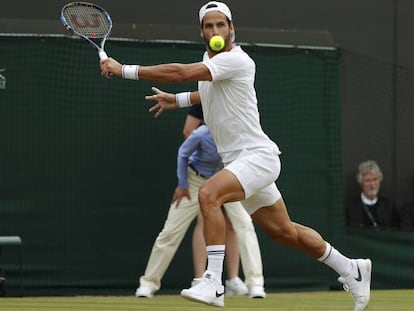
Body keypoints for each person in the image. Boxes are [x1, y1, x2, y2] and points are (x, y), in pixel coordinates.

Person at [100, 2, 372, 310]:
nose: (215, 31)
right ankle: (352, 268)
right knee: (283, 232)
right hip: (243, 163)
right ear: (202, 31)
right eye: (208, 26)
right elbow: (207, 93)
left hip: (257, 157)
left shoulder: (236, 60)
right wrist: (176, 101)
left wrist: (124, 70)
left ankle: (214, 283)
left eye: (220, 25)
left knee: (208, 194)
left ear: (231, 29)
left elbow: (181, 73)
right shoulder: (211, 62)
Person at [135, 122, 265, 298]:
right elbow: (183, 153)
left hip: (226, 182)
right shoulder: (202, 133)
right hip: (195, 182)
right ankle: (148, 284)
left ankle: (256, 283)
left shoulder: (239, 134)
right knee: (171, 231)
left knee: (245, 224)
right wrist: (182, 185)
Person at [346, 160, 399, 229]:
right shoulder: (350, 207)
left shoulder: (389, 206)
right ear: (360, 183)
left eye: (375, 179)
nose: (372, 185)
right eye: (368, 180)